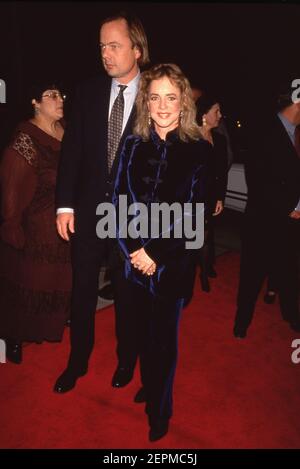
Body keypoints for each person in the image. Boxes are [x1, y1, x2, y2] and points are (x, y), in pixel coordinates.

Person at [113, 63, 211, 441]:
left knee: (163, 342)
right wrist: (133, 249)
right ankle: (148, 384)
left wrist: (153, 252)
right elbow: (118, 199)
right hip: (131, 260)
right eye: (155, 97)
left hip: (171, 264)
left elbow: (195, 215)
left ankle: (161, 410)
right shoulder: (133, 143)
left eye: (171, 97)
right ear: (146, 103)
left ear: (183, 101)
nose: (163, 105)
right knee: (137, 333)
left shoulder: (199, 150)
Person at [53, 13, 150, 393]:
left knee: (128, 297)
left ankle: (127, 362)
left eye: (114, 46)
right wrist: (64, 205)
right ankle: (77, 362)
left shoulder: (154, 96)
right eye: (101, 47)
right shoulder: (89, 91)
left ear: (137, 50)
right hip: (89, 215)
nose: (106, 54)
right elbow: (72, 152)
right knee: (82, 293)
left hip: (134, 221)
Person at [0, 83, 71, 363]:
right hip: (36, 226)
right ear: (35, 102)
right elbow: (12, 186)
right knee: (27, 282)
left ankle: (52, 322)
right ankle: (13, 336)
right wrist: (11, 223)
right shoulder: (26, 138)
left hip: (64, 224)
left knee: (58, 280)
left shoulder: (66, 130)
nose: (59, 100)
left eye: (60, 94)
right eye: (51, 96)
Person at [234, 86, 300, 338]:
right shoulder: (263, 130)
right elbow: (258, 181)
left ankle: (291, 315)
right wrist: (289, 208)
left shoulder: (297, 134)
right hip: (263, 219)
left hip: (291, 222)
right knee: (252, 274)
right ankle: (242, 322)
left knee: (289, 271)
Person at [195, 94, 228, 292]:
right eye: (217, 111)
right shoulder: (190, 137)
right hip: (192, 197)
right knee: (197, 236)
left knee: (205, 235)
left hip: (210, 197)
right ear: (204, 114)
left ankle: (204, 269)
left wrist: (220, 198)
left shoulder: (220, 140)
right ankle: (199, 271)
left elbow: (221, 173)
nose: (220, 115)